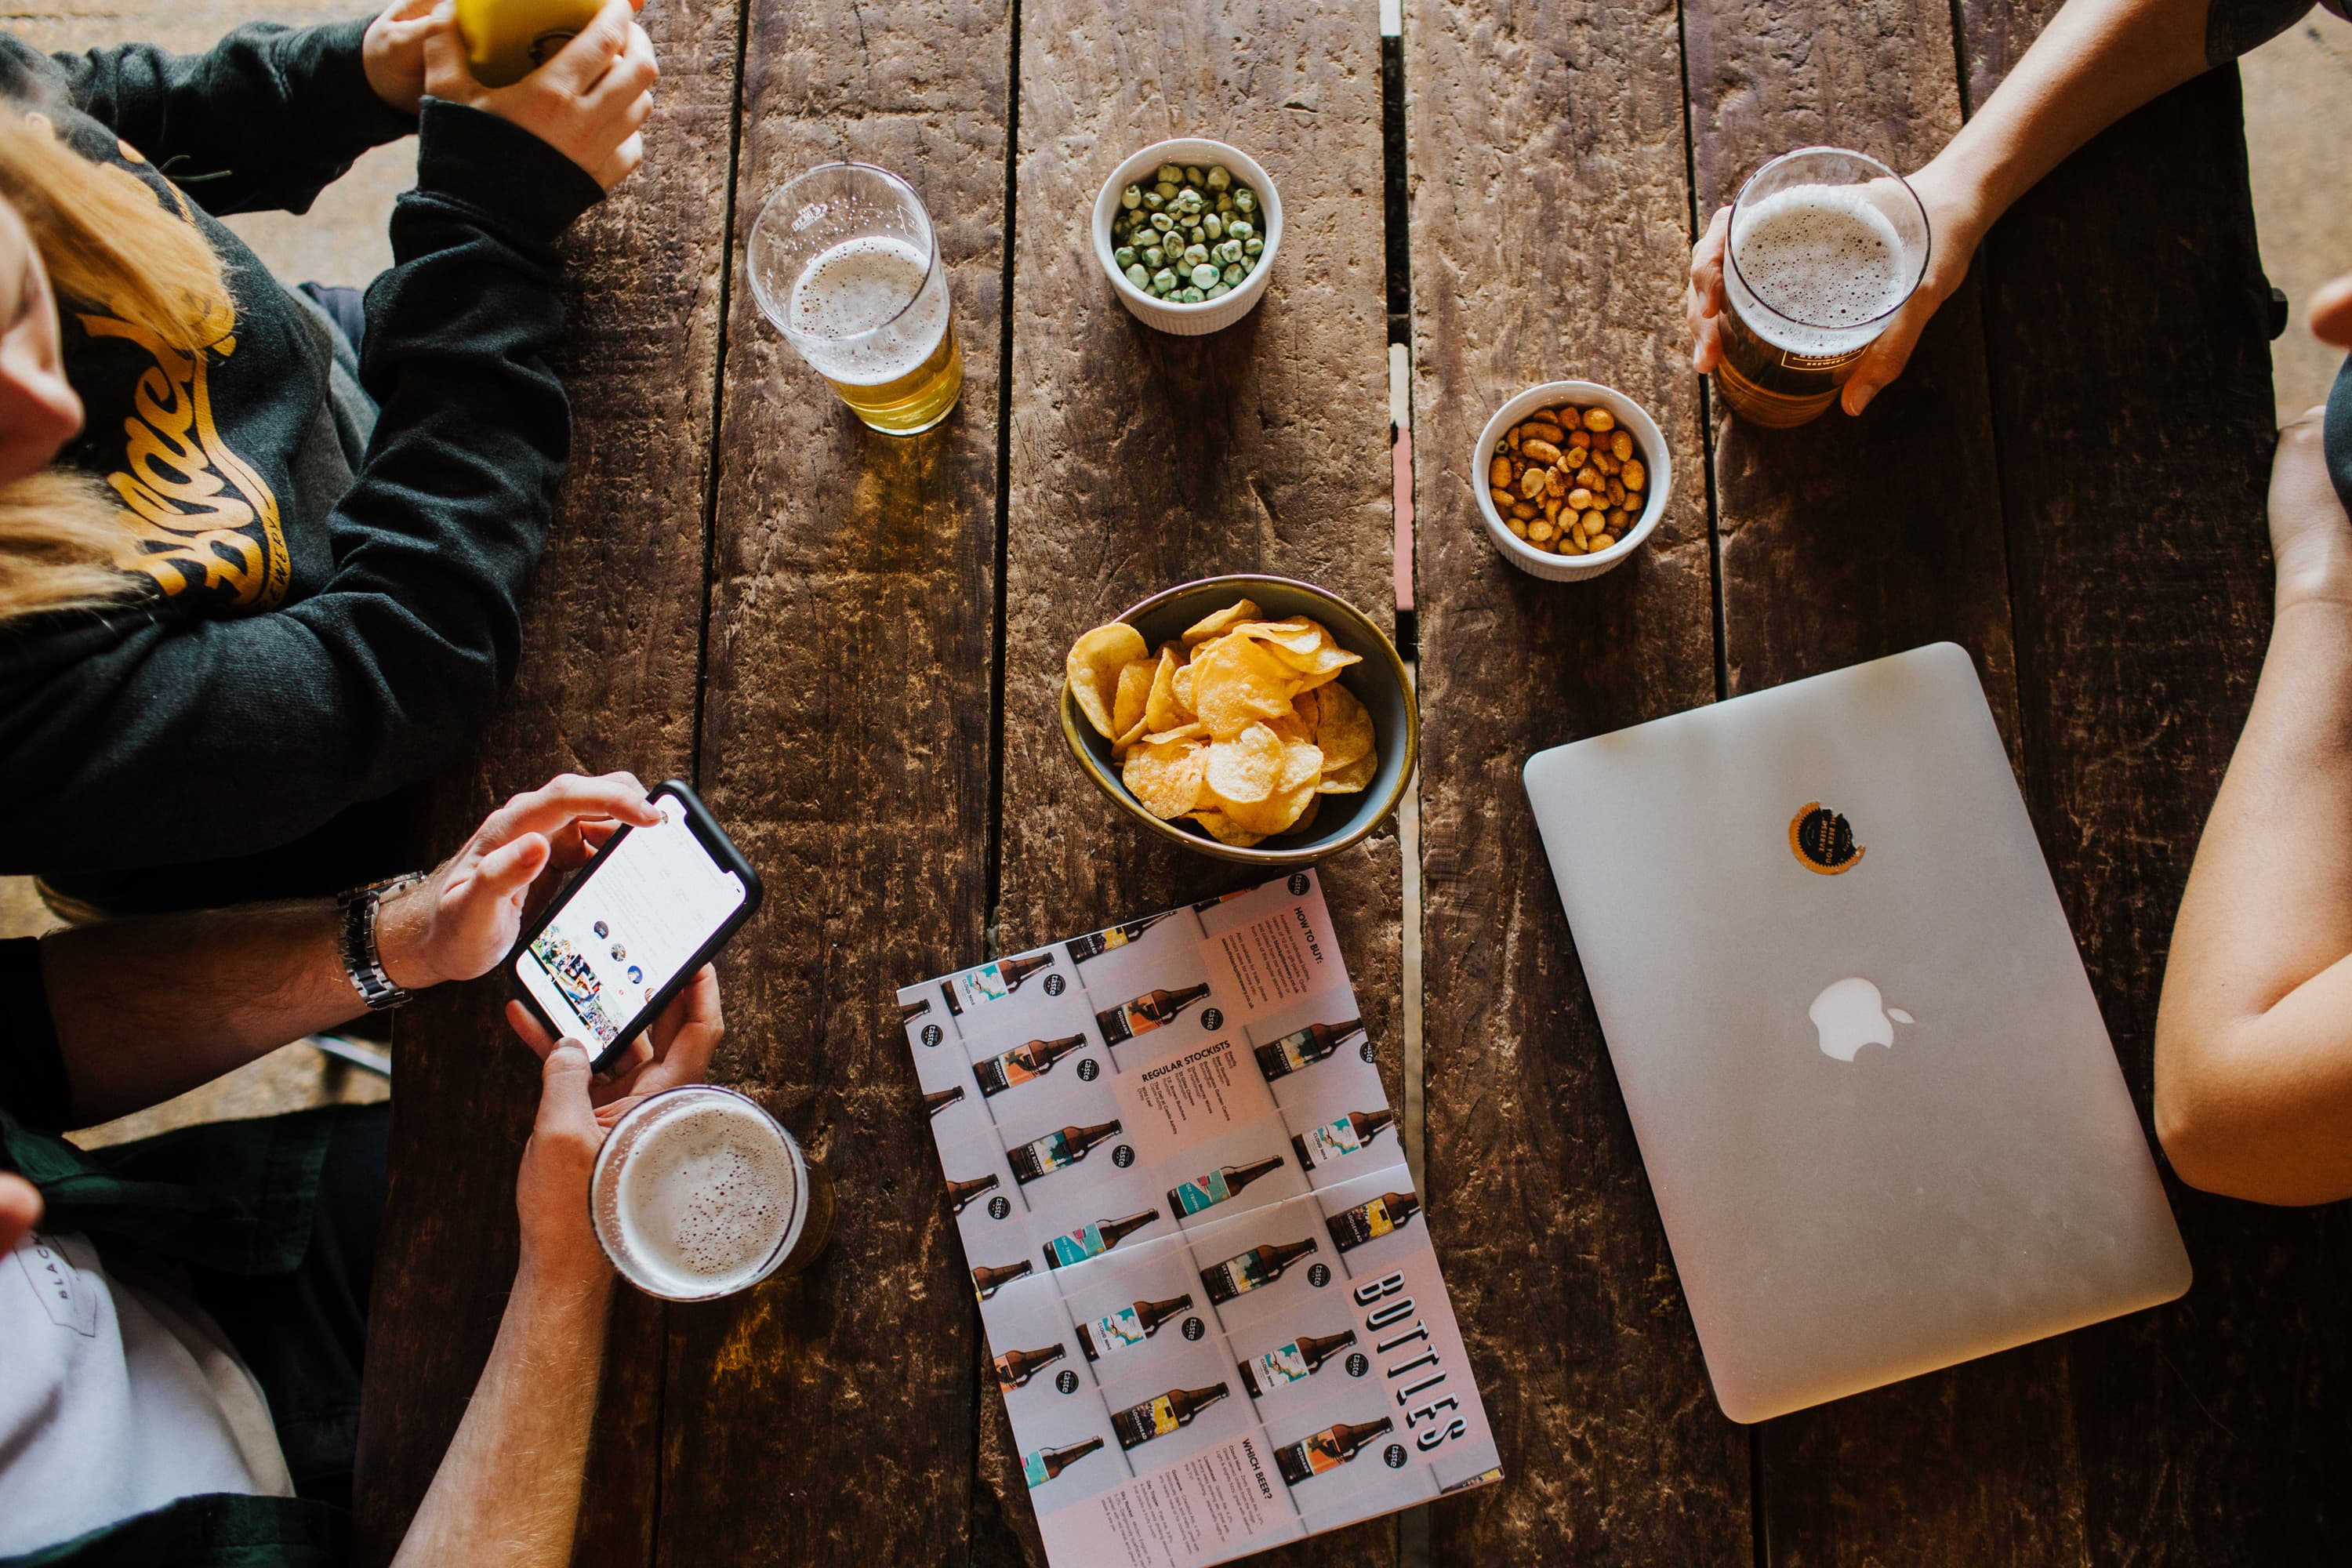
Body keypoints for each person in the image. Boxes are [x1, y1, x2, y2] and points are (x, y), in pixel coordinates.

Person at [0, 1, 655, 915]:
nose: (57, 411)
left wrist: (355, 72)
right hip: (376, 780)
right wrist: (489, 226)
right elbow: (399, 668)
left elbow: (55, 112)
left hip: (353, 389)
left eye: (25, 314)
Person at [0, 770, 723, 1564]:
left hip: (196, 1243)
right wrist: (568, 1264)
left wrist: (405, 937)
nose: (13, 1200)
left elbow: (26, 1033)